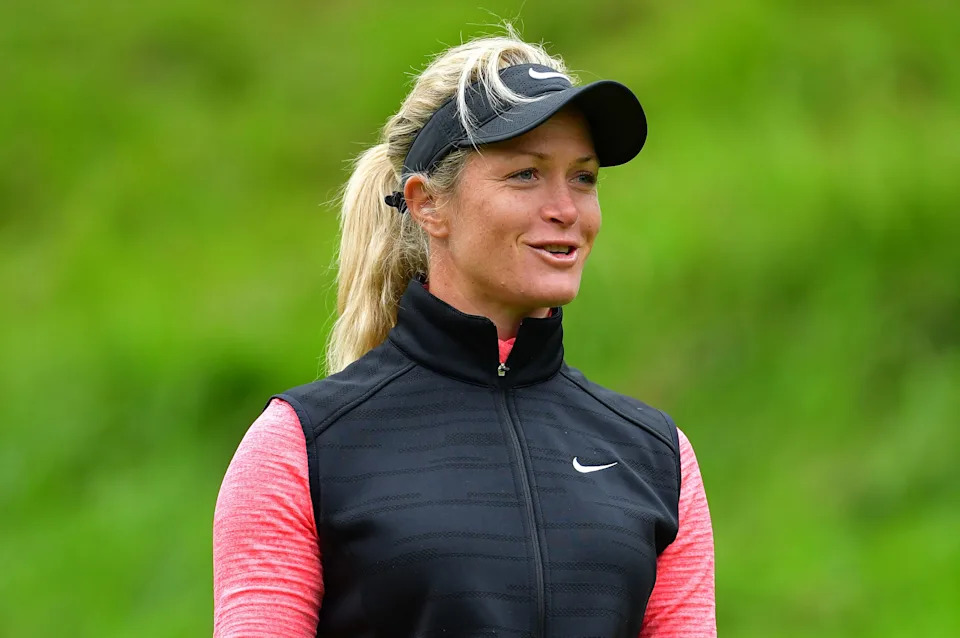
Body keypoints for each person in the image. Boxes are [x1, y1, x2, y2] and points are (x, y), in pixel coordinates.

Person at [213, 30, 716, 638]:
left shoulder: (655, 457)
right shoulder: (303, 448)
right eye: (526, 174)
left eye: (583, 178)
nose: (566, 209)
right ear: (429, 205)